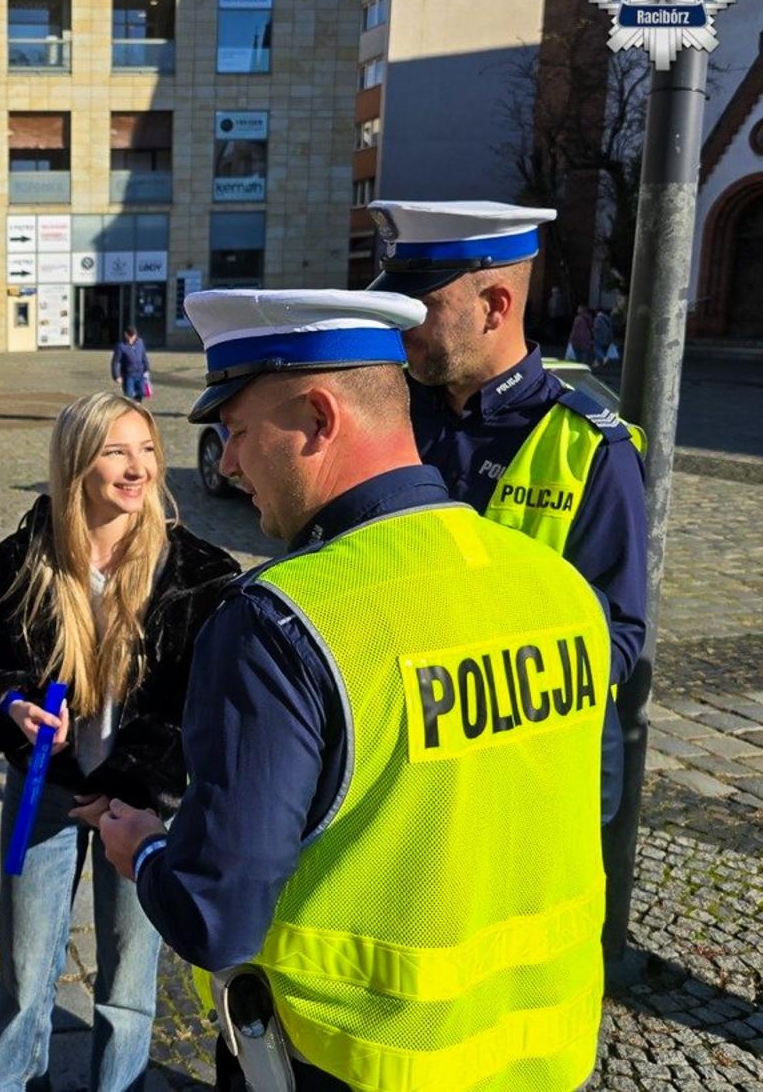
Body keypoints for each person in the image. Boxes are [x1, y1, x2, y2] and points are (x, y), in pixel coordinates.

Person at [98, 288, 624, 1092]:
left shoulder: (280, 624)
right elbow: (573, 801)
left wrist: (145, 851)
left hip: (354, 1066)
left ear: (317, 416)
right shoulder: (559, 588)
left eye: (236, 430)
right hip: (545, 1057)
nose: (229, 464)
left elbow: (218, 914)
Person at [0, 391, 242, 1092]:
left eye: (146, 449)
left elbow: (201, 705)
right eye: (116, 450)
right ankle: (16, 1082)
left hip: (142, 802)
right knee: (26, 967)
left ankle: (120, 1084)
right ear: (77, 461)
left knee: (129, 975)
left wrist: (141, 782)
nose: (136, 466)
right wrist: (13, 705)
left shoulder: (198, 573)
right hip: (45, 789)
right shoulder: (27, 558)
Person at [365, 200, 647, 693]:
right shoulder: (389, 411)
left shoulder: (587, 446)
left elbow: (616, 639)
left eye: (422, 309)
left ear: (495, 306)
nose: (402, 329)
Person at [110, 326, 150, 402]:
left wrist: (147, 368)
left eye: (133, 336)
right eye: (130, 336)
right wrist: (116, 376)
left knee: (142, 393)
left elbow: (144, 356)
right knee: (129, 395)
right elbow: (115, 362)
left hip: (140, 373)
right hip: (128, 375)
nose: (132, 339)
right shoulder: (121, 346)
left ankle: (138, 407)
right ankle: (129, 410)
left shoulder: (140, 342)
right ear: (126, 335)